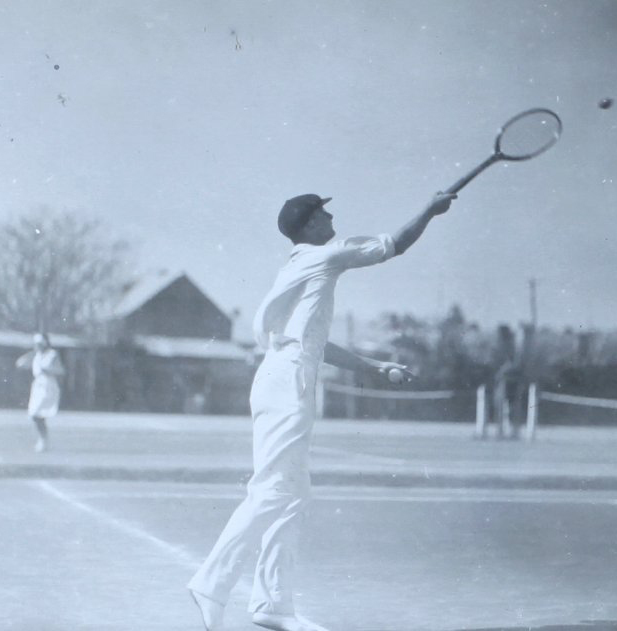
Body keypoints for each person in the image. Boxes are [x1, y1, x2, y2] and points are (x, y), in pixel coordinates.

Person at [187, 191, 456, 631]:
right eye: (323, 211)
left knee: (290, 494)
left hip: (281, 375)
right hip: (288, 380)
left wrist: (373, 365)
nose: (331, 214)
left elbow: (315, 343)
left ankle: (272, 606)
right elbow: (394, 245)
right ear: (310, 224)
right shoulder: (324, 256)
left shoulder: (297, 267)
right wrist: (430, 209)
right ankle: (210, 584)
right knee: (274, 490)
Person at [15, 333, 65, 452]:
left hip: (48, 385)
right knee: (35, 414)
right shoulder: (36, 355)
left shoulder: (52, 354)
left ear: (46, 342)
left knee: (37, 413)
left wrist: (48, 370)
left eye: (40, 343)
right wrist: (32, 353)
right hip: (38, 385)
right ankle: (43, 440)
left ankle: (43, 440)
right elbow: (20, 363)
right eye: (36, 343)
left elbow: (61, 371)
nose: (38, 345)